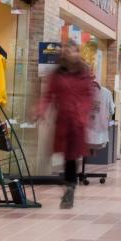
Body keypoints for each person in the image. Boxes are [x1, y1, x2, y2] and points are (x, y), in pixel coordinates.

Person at [36, 41, 96, 209]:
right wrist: (41, 109)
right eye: (66, 50)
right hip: (63, 120)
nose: (68, 52)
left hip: (77, 121)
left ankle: (70, 188)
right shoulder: (57, 74)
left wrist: (82, 113)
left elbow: (88, 96)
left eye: (72, 49)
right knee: (64, 155)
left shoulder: (84, 73)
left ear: (77, 53)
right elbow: (48, 95)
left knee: (72, 155)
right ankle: (68, 185)